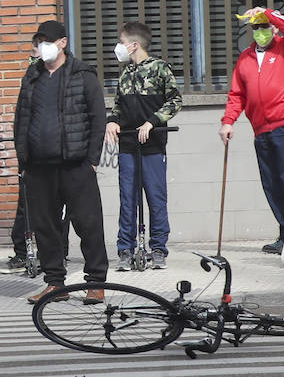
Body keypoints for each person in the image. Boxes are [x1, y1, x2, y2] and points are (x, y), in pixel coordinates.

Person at [13, 20, 107, 304]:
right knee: (45, 227)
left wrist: (92, 160)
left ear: (63, 43)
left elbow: (97, 118)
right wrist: (23, 161)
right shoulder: (32, 76)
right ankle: (55, 283)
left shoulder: (83, 74)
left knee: (88, 224)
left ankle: (96, 283)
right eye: (38, 42)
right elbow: (21, 119)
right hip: (39, 167)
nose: (42, 47)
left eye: (47, 41)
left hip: (75, 165)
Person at [220, 6, 284, 253]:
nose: (260, 31)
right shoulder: (245, 58)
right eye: (256, 27)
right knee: (272, 184)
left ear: (274, 27)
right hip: (261, 129)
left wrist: (268, 13)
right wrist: (228, 121)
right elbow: (237, 94)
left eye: (264, 26)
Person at [104, 22, 183, 272]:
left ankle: (158, 248)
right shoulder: (125, 73)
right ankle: (125, 249)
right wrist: (112, 121)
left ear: (134, 45)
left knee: (156, 198)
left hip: (153, 146)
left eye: (122, 42)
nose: (119, 47)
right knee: (128, 198)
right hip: (128, 145)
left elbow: (175, 100)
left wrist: (152, 122)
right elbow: (118, 105)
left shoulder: (159, 68)